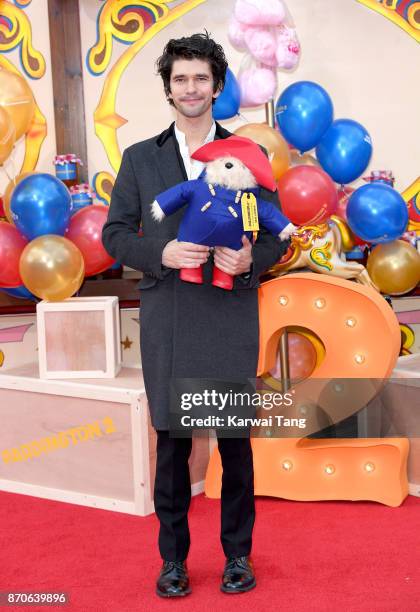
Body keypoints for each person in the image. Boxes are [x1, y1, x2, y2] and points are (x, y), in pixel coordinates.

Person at [102, 32, 288, 598]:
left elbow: (278, 236)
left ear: (217, 86)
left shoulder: (250, 154)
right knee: (174, 449)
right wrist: (159, 252)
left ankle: (238, 557)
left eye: (201, 78)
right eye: (180, 78)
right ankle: (173, 561)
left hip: (229, 314)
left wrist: (252, 256)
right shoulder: (139, 158)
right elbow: (114, 235)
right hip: (171, 319)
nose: (191, 88)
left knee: (234, 445)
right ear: (168, 87)